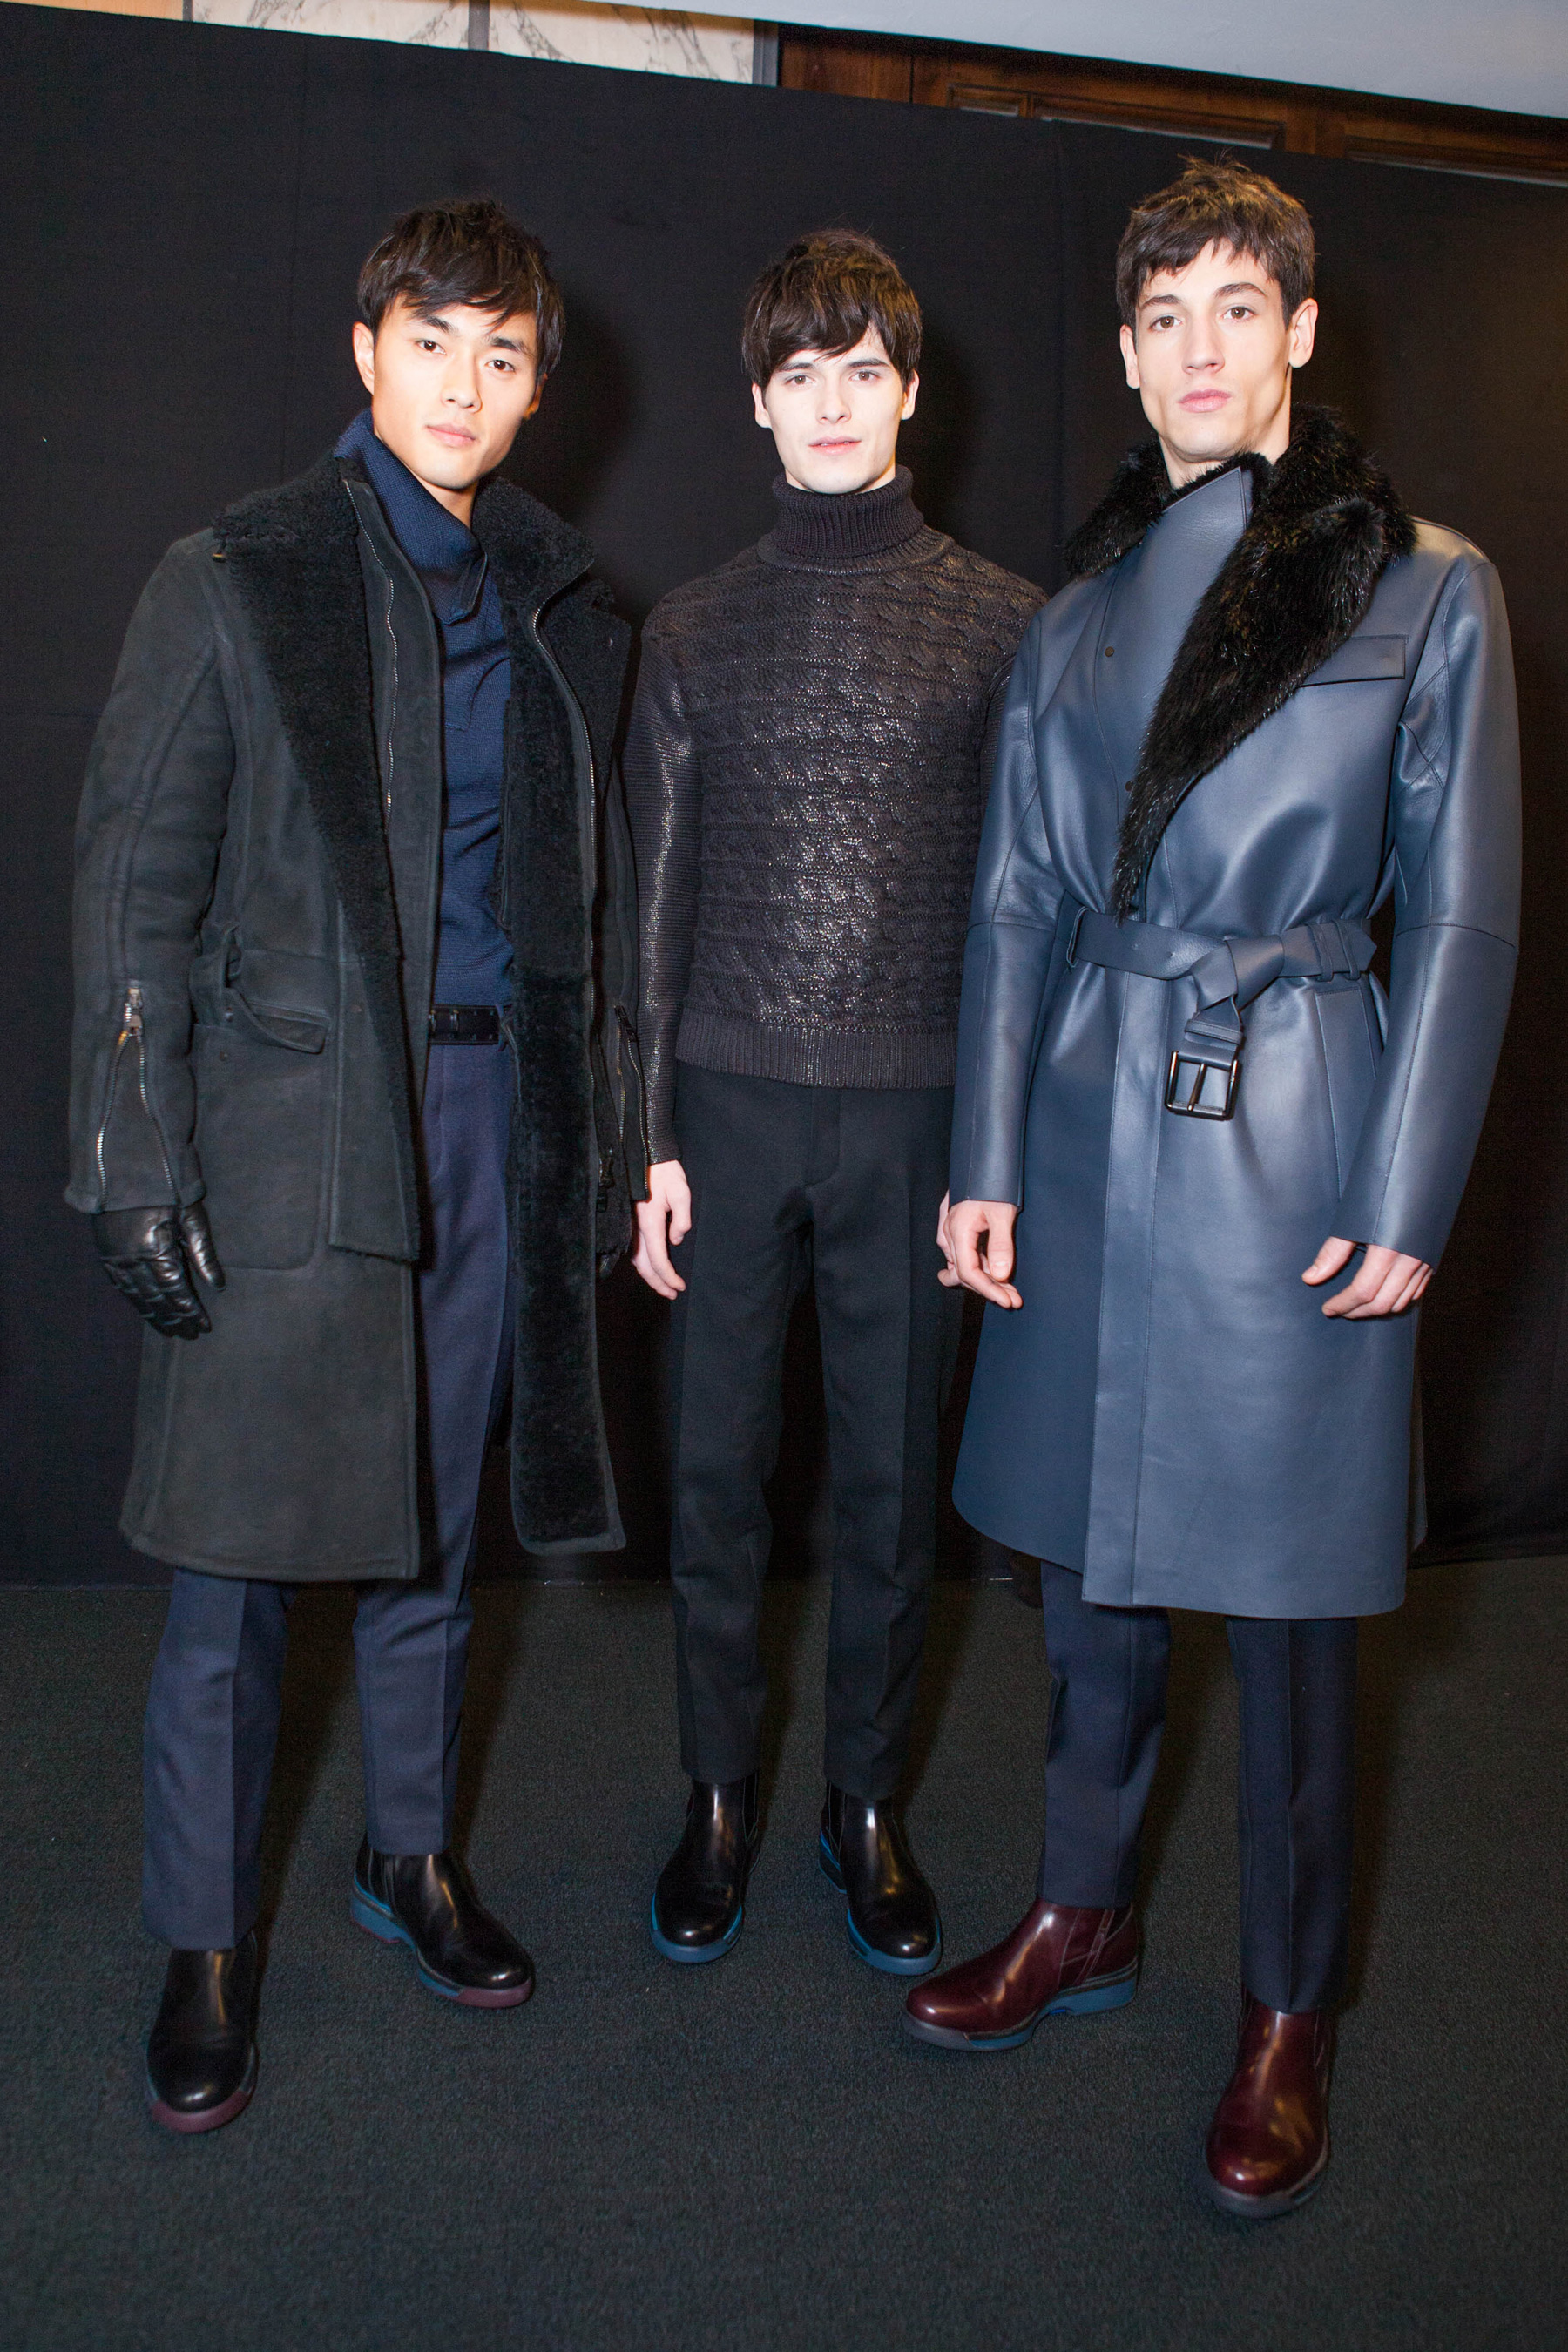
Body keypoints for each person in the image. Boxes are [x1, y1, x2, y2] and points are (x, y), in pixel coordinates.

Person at [905, 160, 1519, 2220]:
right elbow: (1013, 900)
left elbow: (1466, 915)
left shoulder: (1426, 587)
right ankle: (1082, 1908)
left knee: (1293, 1613)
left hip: (1298, 1131)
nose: (1199, 349)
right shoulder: (1069, 620)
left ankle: (1286, 2006)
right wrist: (986, 1160)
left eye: (1237, 309)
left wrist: (1411, 1187)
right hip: (1091, 1121)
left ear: (1302, 334)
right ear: (1125, 350)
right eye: (1164, 315)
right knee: (1088, 1576)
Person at [68, 199, 644, 2133]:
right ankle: (202, 1940)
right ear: (366, 349)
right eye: (431, 340)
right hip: (287, 1130)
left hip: (492, 1118)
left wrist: (600, 1132)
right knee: (235, 1565)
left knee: (432, 1530)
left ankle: (409, 1857)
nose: (463, 384)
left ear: (536, 386)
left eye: (503, 353)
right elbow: (135, 885)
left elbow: (592, 907)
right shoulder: (241, 573)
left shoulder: (554, 601)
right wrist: (130, 1150)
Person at [625, 230, 1043, 1975]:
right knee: (714, 1479)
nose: (831, 404)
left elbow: (1021, 915)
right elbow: (652, 904)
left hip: (916, 1122)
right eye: (799, 375)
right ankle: (719, 1795)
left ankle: (864, 1805)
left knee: (888, 1489)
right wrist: (648, 1136)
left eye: (862, 371)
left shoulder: (1006, 624)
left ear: (911, 393)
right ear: (757, 403)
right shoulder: (693, 626)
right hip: (723, 1110)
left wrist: (995, 1153)